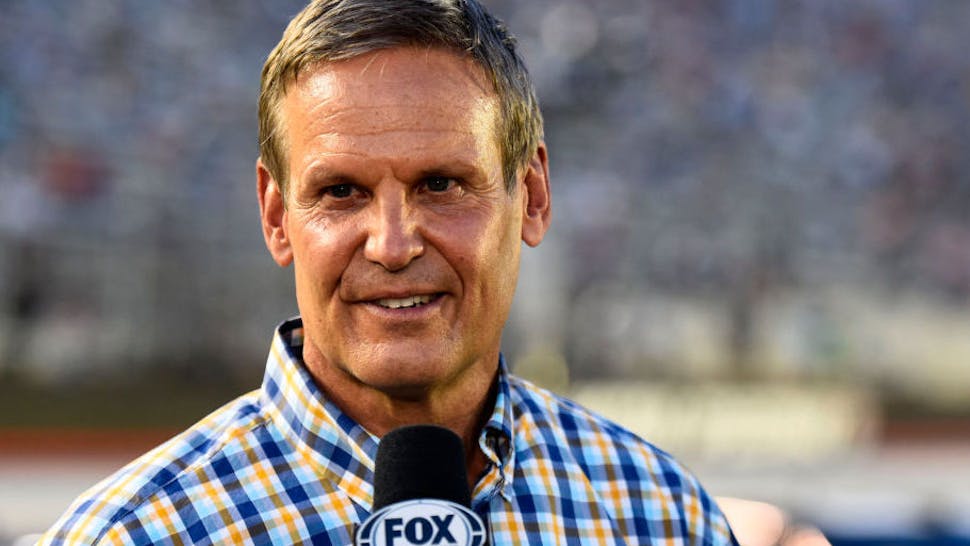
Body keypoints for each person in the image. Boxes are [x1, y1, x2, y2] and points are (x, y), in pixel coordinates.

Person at [41, 1, 738, 544]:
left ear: (533, 197)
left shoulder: (661, 517)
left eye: (440, 184)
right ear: (278, 217)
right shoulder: (133, 534)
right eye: (341, 192)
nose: (393, 244)